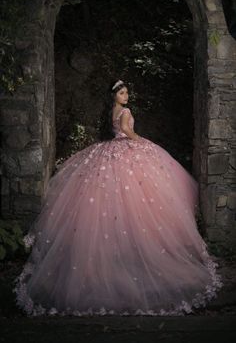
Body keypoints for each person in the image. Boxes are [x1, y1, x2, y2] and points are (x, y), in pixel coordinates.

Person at [13, 79, 223, 317]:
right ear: (115, 96)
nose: (126, 96)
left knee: (109, 197)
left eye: (126, 93)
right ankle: (135, 248)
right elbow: (125, 130)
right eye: (122, 93)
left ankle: (116, 249)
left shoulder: (110, 111)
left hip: (109, 149)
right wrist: (139, 140)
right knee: (139, 194)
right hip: (125, 148)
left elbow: (115, 130)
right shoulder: (125, 111)